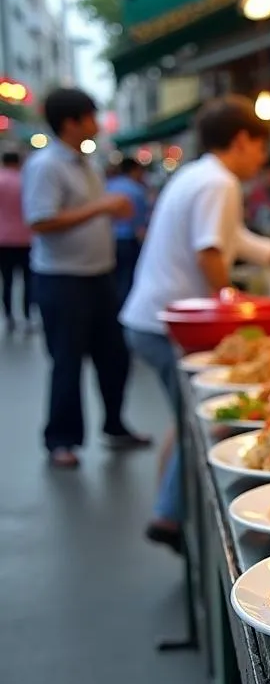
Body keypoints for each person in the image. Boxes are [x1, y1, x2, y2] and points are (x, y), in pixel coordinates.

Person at [120, 95, 270, 553]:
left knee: (184, 418)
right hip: (171, 322)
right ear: (242, 140)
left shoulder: (199, 174)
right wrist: (232, 301)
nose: (263, 158)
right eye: (261, 146)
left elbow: (230, 237)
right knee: (198, 424)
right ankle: (168, 517)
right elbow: (211, 249)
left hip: (152, 316)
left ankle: (167, 508)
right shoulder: (219, 182)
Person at [22, 88, 151, 469]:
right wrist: (102, 207)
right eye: (91, 116)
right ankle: (61, 440)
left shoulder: (86, 164)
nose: (97, 123)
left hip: (98, 275)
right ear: (71, 122)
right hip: (62, 279)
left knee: (114, 355)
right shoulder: (47, 166)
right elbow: (41, 220)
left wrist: (108, 211)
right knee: (67, 362)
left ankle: (115, 424)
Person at [105, 156, 150, 308]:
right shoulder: (137, 190)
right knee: (127, 279)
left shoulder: (108, 185)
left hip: (107, 240)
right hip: (128, 241)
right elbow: (140, 223)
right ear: (135, 170)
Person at [0, 150, 33, 333]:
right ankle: (27, 316)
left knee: (7, 281)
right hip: (25, 239)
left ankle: (8, 316)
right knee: (27, 280)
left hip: (3, 239)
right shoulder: (25, 181)